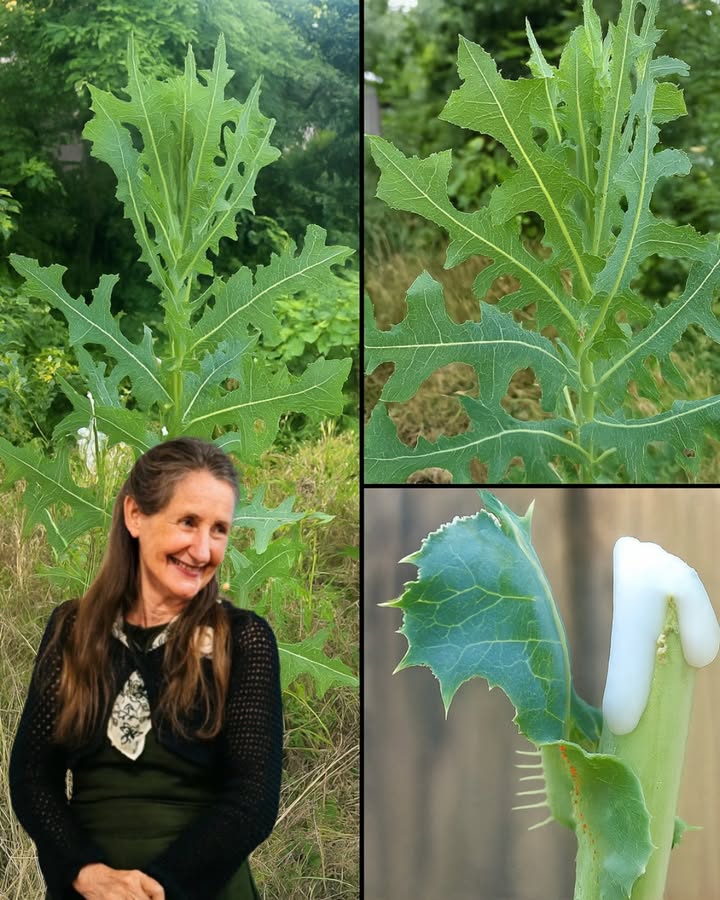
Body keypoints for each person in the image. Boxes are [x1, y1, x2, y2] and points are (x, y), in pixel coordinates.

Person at [10, 437, 283, 900]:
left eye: (219, 530)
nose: (202, 550)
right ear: (135, 515)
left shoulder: (244, 640)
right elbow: (33, 776)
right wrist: (85, 873)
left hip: (202, 889)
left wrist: (158, 888)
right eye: (189, 522)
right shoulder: (72, 630)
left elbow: (252, 800)